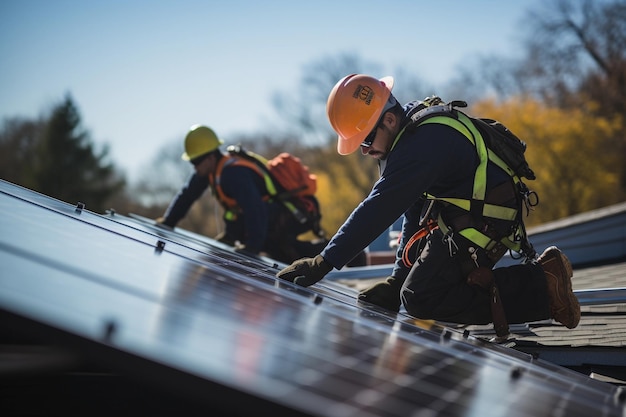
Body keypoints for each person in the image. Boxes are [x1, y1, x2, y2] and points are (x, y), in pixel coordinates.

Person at [277, 74, 580, 332]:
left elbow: (380, 208)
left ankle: (544, 284)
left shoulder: (420, 146)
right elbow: (413, 210)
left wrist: (324, 262)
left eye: (366, 141)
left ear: (390, 119)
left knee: (421, 297)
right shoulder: (410, 136)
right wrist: (397, 279)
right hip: (462, 214)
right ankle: (523, 285)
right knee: (411, 289)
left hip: (485, 219)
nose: (366, 151)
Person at [158, 124, 331, 264]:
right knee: (284, 255)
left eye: (196, 161)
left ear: (210, 157)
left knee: (263, 238)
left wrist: (251, 248)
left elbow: (254, 208)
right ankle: (324, 252)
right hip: (273, 216)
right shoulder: (208, 172)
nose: (194, 167)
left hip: (295, 212)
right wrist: (168, 222)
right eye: (192, 162)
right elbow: (187, 195)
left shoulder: (233, 173)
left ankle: (333, 254)